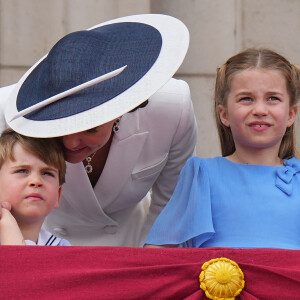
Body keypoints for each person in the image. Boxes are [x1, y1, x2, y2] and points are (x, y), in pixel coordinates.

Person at [0, 14, 197, 246]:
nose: (72, 143)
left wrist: (151, 266)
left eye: (89, 127)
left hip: (132, 248)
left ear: (121, 109)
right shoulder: (8, 112)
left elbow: (174, 202)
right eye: (61, 127)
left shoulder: (172, 107)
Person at [145, 48, 300, 249]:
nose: (260, 110)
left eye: (273, 98)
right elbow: (158, 254)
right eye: (246, 99)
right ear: (223, 114)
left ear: (291, 114)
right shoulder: (201, 176)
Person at [0, 128, 70, 246]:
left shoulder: (63, 249)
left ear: (58, 196)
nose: (36, 181)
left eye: (47, 173)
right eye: (22, 171)